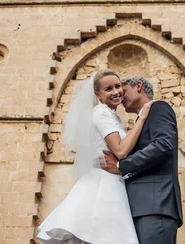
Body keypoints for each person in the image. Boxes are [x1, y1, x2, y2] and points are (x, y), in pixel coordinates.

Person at [37, 70, 154, 244]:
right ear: (97, 94)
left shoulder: (111, 115)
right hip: (104, 183)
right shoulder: (101, 113)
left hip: (112, 179)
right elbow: (120, 151)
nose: (116, 92)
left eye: (117, 86)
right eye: (108, 89)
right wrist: (142, 118)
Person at [102, 76, 183, 244]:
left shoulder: (158, 108)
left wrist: (121, 166)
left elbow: (163, 145)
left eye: (123, 91)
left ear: (138, 86)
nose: (120, 97)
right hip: (140, 207)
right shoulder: (141, 120)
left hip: (155, 205)